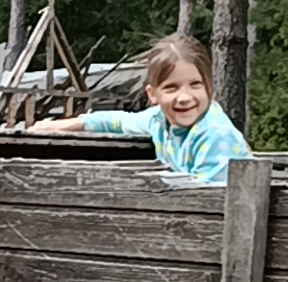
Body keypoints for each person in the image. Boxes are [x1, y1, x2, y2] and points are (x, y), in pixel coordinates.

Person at [27, 33, 251, 183]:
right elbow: (119, 122)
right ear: (153, 94)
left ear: (209, 88)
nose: (184, 97)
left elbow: (211, 199)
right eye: (171, 88)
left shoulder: (214, 134)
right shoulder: (158, 120)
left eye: (195, 84)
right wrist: (68, 125)